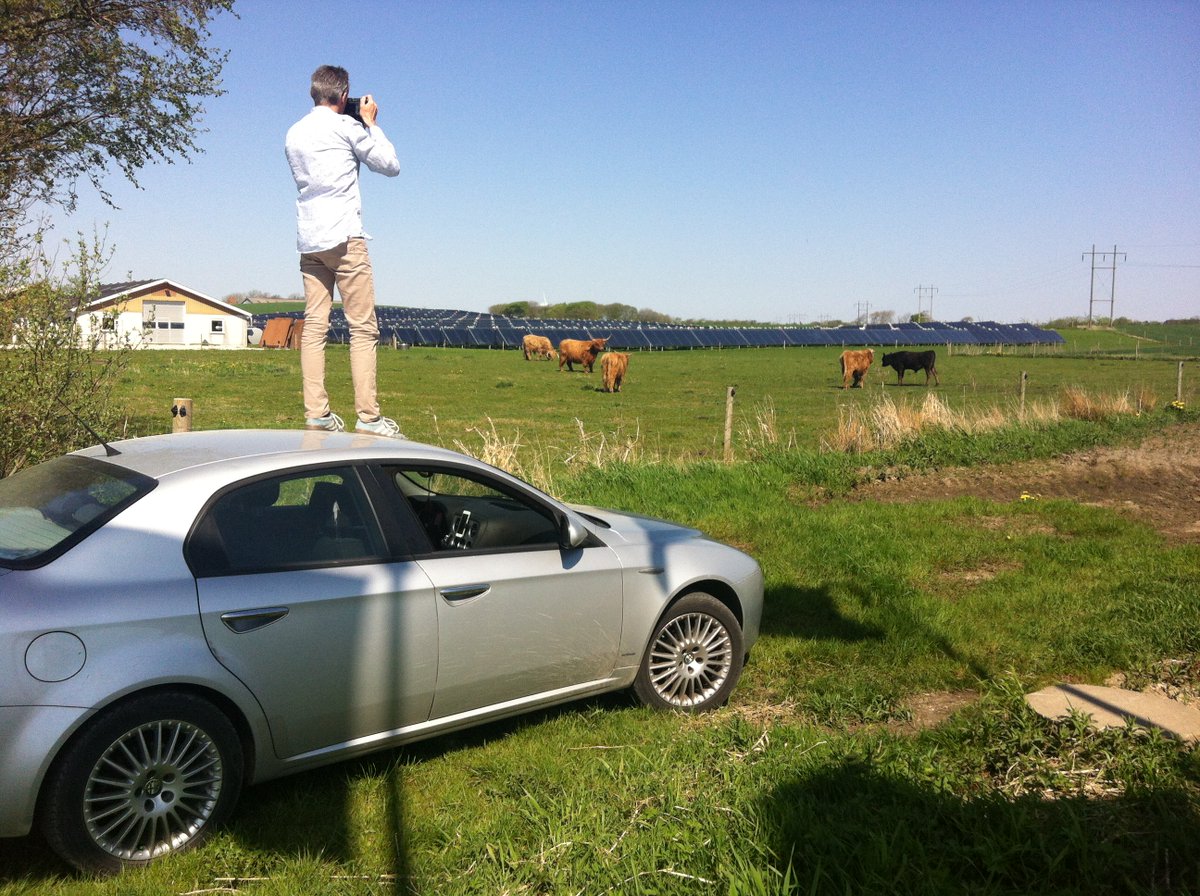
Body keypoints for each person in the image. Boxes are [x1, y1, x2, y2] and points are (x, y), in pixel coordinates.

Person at [284, 64, 402, 436]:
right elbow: (390, 165)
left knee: (315, 325)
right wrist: (371, 122)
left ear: (315, 92)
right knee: (363, 329)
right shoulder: (347, 126)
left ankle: (317, 413)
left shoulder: (294, 132)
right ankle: (368, 417)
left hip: (310, 238)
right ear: (343, 94)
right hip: (345, 237)